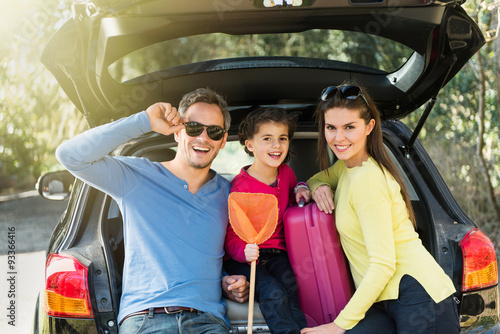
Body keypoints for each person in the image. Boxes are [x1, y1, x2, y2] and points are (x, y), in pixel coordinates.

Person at [56, 88, 249, 333]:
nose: (203, 137)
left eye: (213, 131)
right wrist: (144, 121)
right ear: (178, 132)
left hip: (207, 321)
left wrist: (231, 280)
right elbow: (70, 156)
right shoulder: (136, 176)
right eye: (193, 128)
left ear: (223, 141)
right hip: (145, 320)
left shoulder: (230, 194)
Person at [297, 84, 459, 334]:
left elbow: (383, 264)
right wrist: (317, 187)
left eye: (349, 127)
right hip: (384, 299)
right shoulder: (349, 167)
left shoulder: (368, 181)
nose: (339, 138)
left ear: (369, 127)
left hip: (420, 297)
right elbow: (317, 179)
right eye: (331, 128)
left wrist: (338, 325)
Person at [223, 107, 310, 334]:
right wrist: (244, 251)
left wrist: (301, 187)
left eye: (282, 138)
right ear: (250, 145)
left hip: (276, 254)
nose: (276, 145)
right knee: (274, 293)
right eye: (267, 139)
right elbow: (231, 235)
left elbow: (294, 193)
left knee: (291, 290)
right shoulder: (241, 187)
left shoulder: (287, 174)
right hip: (245, 257)